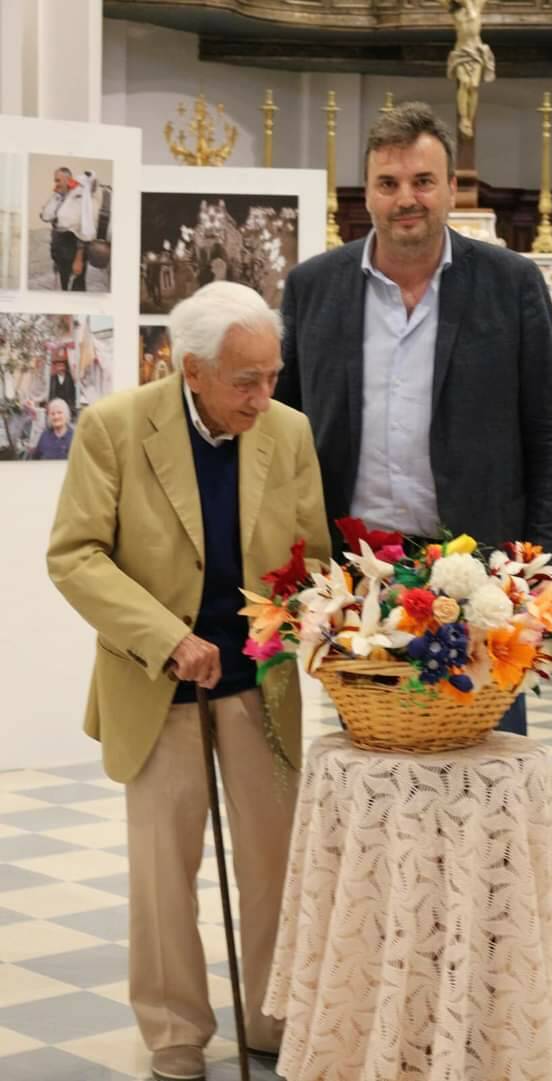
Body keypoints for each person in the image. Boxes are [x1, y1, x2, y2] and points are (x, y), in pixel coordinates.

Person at [47, 282, 330, 1081]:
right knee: (163, 869)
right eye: (247, 380)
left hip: (259, 680)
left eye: (273, 375)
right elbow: (75, 556)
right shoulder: (114, 427)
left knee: (274, 861)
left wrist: (314, 619)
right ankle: (175, 1029)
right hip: (158, 684)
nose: (263, 395)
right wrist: (170, 638)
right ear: (193, 369)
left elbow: (311, 551)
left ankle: (273, 1014)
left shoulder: (289, 431)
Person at [276, 101, 552, 737]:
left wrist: (546, 581)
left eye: (422, 181)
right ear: (368, 193)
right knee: (372, 760)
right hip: (359, 578)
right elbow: (285, 434)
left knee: (483, 767)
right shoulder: (314, 288)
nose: (405, 198)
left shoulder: (511, 283)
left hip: (486, 576)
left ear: (448, 188)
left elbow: (551, 436)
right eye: (389, 183)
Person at [39, 166, 96, 291]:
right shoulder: (59, 197)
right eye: (55, 180)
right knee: (64, 283)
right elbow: (46, 216)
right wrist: (56, 196)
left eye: (58, 180)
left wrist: (79, 259)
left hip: (73, 247)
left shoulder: (79, 198)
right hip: (60, 248)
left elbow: (83, 228)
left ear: (68, 179)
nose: (56, 184)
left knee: (77, 285)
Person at [445, 0, 495, 139]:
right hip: (461, 51)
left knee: (474, 85)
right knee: (465, 83)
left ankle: (470, 120)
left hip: (476, 52)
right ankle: (464, 119)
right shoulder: (455, 11)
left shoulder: (477, 6)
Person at [48, 347, 76, 416]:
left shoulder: (70, 377)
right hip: (56, 404)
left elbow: (74, 391)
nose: (60, 367)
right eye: (58, 366)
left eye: (61, 365)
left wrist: (72, 404)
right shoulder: (52, 378)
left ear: (65, 367)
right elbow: (50, 392)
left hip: (68, 404)